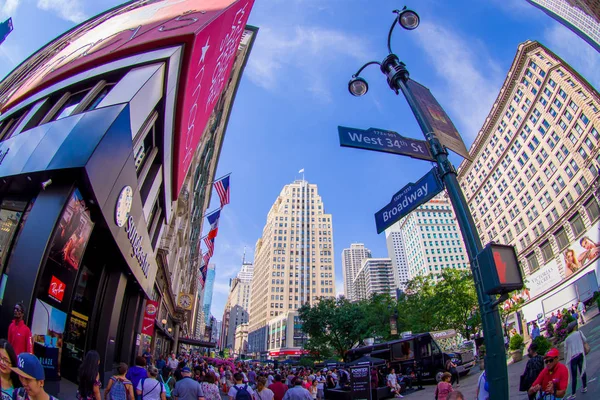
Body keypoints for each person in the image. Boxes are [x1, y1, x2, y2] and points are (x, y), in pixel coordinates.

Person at [564, 321, 588, 398]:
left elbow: (566, 350)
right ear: (574, 327)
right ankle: (584, 387)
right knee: (582, 370)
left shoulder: (567, 339)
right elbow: (585, 339)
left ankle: (573, 393)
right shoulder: (579, 333)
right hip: (580, 354)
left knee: (574, 375)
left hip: (572, 357)